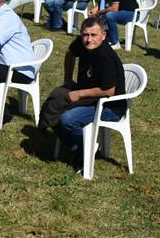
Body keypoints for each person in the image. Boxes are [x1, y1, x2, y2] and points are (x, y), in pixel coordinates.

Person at [48, 17, 126, 167]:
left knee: (67, 119)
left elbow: (109, 91)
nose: (89, 39)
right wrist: (68, 80)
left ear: (103, 36)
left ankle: (86, 148)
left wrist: (79, 94)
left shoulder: (106, 56)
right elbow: (70, 53)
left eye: (93, 35)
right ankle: (82, 147)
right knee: (54, 106)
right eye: (85, 35)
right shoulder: (83, 43)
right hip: (90, 98)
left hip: (110, 106)